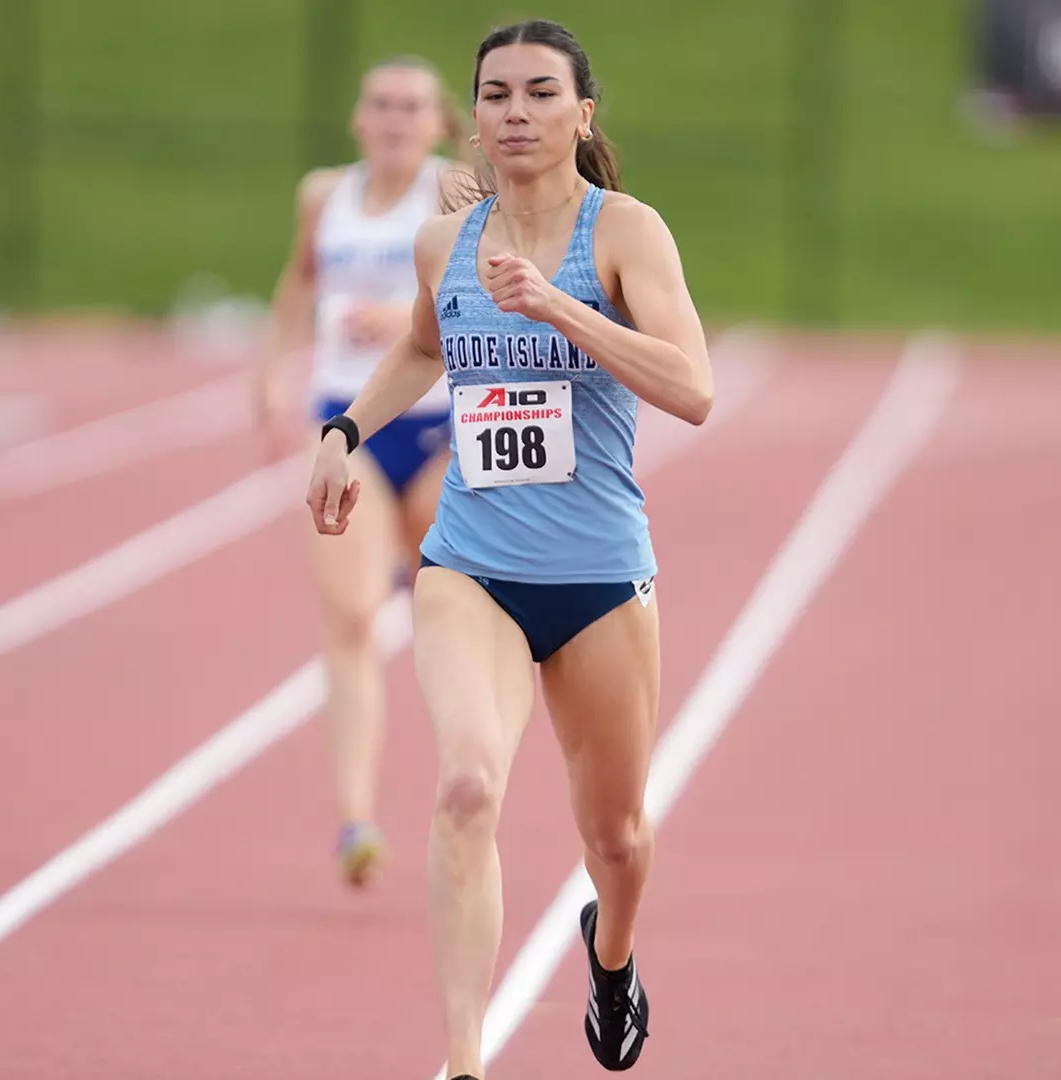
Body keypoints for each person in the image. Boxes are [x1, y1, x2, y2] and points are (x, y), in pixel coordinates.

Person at [303, 18, 713, 1077]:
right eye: (496, 95)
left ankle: (611, 958)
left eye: (540, 94)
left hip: (598, 578)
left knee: (615, 835)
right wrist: (345, 432)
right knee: (467, 789)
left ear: (582, 114)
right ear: (474, 119)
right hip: (471, 564)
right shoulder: (446, 241)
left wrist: (564, 312)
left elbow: (693, 388)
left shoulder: (627, 233)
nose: (517, 113)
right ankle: (462, 1059)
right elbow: (419, 346)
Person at [256, 56, 477, 889]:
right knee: (350, 618)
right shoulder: (324, 194)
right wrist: (271, 372)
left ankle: (468, 780)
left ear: (436, 121)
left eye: (411, 106)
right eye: (381, 104)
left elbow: (480, 290)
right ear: (358, 118)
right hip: (347, 427)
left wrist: (407, 318)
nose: (393, 118)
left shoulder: (453, 190)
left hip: (440, 427)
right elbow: (299, 279)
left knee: (452, 607)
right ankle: (355, 821)